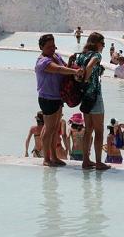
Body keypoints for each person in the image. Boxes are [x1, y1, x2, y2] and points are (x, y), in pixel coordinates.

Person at [36, 34, 83, 167]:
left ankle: (54, 157)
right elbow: (59, 69)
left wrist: (71, 63)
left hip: (57, 97)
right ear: (41, 47)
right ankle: (46, 158)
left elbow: (63, 68)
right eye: (49, 47)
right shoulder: (42, 62)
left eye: (53, 46)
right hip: (47, 98)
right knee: (49, 128)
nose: (52, 49)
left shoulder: (55, 56)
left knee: (54, 128)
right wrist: (75, 72)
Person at [77, 32, 110, 170]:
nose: (103, 46)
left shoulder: (82, 55)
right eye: (102, 43)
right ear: (96, 43)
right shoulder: (96, 55)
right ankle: (98, 162)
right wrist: (87, 79)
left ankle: (86, 160)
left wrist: (83, 82)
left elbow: (80, 70)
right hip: (95, 96)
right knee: (99, 130)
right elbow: (90, 67)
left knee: (88, 129)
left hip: (84, 96)